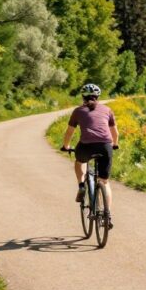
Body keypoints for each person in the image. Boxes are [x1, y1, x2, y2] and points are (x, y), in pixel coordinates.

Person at [60, 83, 119, 228]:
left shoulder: (78, 111)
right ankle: (107, 215)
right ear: (98, 97)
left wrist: (66, 146)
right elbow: (115, 133)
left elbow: (69, 132)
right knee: (104, 182)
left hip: (86, 146)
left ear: (83, 97)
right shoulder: (107, 109)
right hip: (105, 146)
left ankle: (81, 185)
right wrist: (115, 144)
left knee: (80, 162)